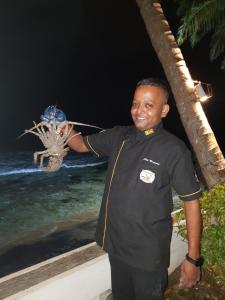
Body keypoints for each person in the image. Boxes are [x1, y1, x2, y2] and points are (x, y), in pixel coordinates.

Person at [66, 78, 202, 300]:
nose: (139, 110)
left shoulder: (174, 150)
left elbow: (191, 201)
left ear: (164, 110)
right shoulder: (119, 136)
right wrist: (64, 129)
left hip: (147, 257)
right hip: (116, 247)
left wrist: (192, 258)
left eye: (148, 105)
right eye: (135, 103)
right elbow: (80, 144)